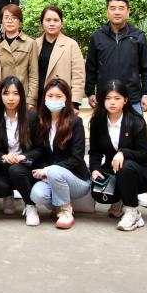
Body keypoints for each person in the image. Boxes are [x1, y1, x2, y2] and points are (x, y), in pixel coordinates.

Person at [88, 80, 147, 232]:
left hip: (139, 171)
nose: (112, 102)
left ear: (125, 100)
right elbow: (95, 151)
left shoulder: (136, 121)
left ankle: (132, 211)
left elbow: (144, 154)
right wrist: (94, 169)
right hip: (112, 169)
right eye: (108, 98)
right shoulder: (97, 122)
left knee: (125, 166)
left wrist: (123, 153)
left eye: (117, 98)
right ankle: (120, 199)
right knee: (98, 192)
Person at [29, 78, 89, 230]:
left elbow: (76, 158)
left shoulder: (75, 122)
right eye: (50, 96)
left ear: (66, 99)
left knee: (55, 171)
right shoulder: (41, 122)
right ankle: (57, 206)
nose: (54, 100)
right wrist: (44, 172)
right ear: (44, 98)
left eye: (59, 96)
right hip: (51, 178)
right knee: (37, 194)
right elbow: (39, 152)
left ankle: (66, 211)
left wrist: (48, 170)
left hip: (77, 179)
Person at [85, 0, 147, 115]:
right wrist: (90, 92)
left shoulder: (138, 36)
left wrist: (146, 93)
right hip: (105, 100)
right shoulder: (97, 37)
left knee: (135, 128)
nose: (117, 12)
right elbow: (91, 67)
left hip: (132, 100)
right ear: (107, 12)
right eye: (112, 8)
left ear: (128, 11)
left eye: (121, 8)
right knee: (102, 128)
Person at [0, 76, 42, 224]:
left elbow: (40, 148)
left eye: (15, 93)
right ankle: (7, 195)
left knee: (15, 170)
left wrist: (24, 157)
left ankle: (30, 206)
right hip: (3, 165)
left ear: (21, 96)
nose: (10, 98)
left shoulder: (31, 117)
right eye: (6, 93)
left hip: (24, 166)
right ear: (0, 95)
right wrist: (3, 156)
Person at [35, 6, 85, 109]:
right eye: (48, 20)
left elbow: (78, 76)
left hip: (61, 99)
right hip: (39, 99)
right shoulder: (35, 44)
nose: (52, 23)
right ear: (42, 22)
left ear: (61, 23)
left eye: (56, 20)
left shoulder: (71, 45)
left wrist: (75, 103)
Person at [0, 4, 39, 111]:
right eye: (6, 17)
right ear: (2, 21)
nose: (10, 21)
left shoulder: (30, 43)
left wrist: (31, 99)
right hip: (3, 95)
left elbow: (33, 74)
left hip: (22, 95)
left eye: (14, 18)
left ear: (20, 22)